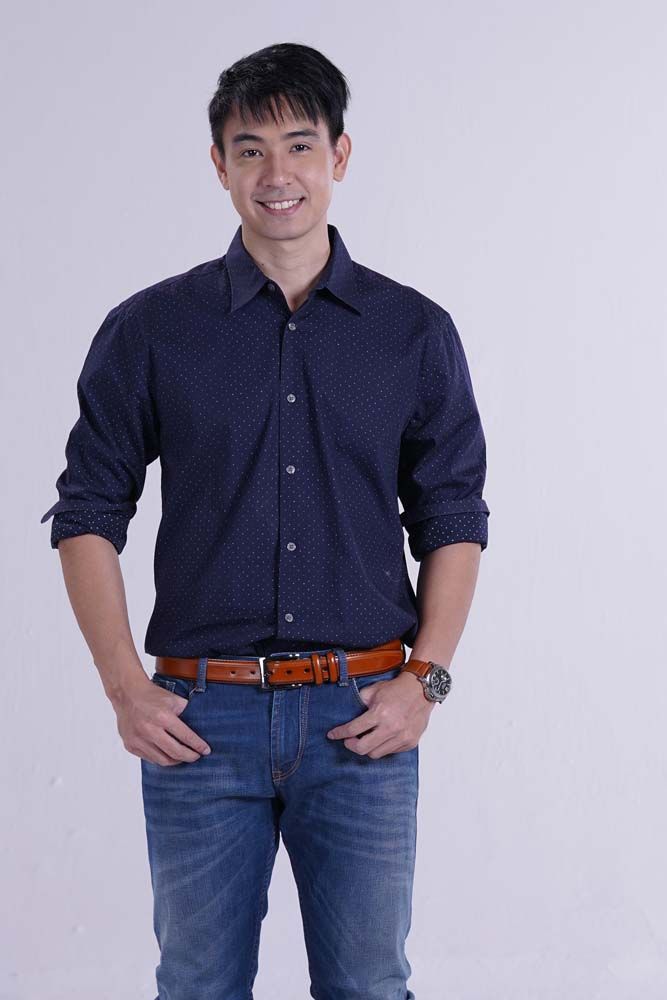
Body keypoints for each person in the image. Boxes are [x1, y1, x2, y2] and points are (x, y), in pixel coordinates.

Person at [40, 41, 490, 1000]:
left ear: (339, 155)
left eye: (298, 145)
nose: (276, 174)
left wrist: (426, 681)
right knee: (197, 985)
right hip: (200, 720)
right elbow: (86, 512)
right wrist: (124, 689)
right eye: (250, 150)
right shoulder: (152, 329)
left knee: (368, 985)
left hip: (362, 714)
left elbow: (452, 517)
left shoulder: (413, 332)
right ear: (219, 165)